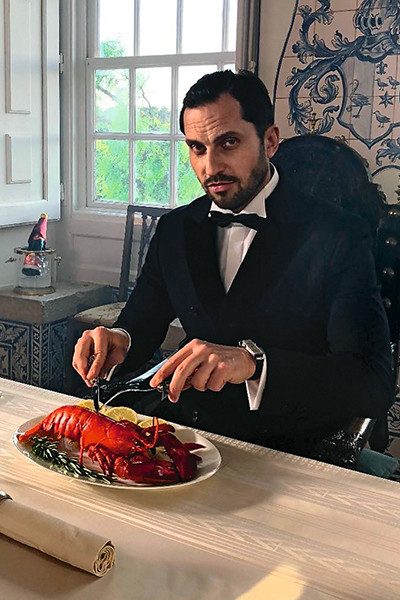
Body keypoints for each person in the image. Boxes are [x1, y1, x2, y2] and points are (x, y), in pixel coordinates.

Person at [72, 70, 393, 458]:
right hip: (188, 435)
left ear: (269, 141)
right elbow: (141, 322)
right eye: (197, 148)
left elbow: (371, 381)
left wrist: (254, 364)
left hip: (288, 448)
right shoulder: (176, 229)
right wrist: (119, 339)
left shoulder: (339, 235)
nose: (210, 167)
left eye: (228, 142)